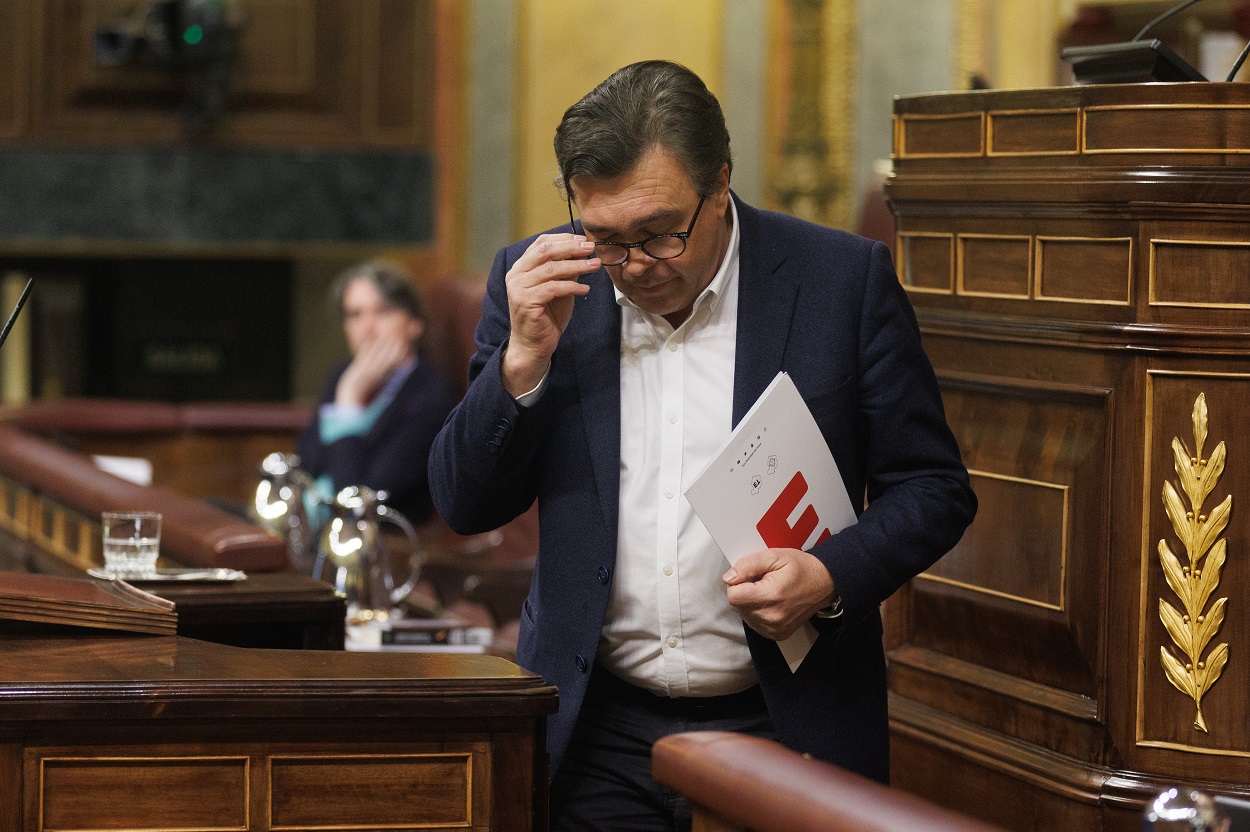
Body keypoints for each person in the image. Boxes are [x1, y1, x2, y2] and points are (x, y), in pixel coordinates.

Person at [428, 60, 976, 830]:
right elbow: (463, 503)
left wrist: (828, 573)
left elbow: (933, 487)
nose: (634, 268)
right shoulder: (543, 286)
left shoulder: (840, 281)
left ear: (720, 186)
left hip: (784, 726)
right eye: (606, 238)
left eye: (660, 233)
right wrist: (521, 362)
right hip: (595, 733)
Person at [297, 260, 454, 525]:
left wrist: (348, 401)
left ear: (414, 323)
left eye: (382, 311)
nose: (367, 329)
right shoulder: (344, 373)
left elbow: (357, 499)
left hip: (373, 544)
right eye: (355, 315)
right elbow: (308, 463)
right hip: (307, 523)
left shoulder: (427, 399)